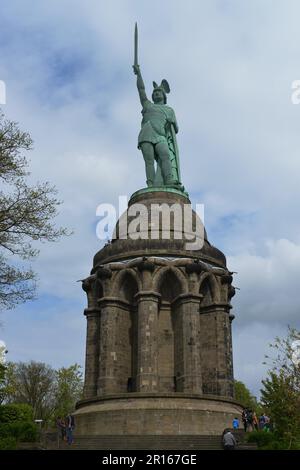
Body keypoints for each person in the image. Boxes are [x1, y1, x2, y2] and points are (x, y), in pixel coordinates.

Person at [133, 64, 181, 188]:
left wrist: (172, 122)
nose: (156, 94)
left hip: (161, 136)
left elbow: (175, 129)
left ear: (164, 96)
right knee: (148, 161)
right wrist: (139, 74)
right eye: (154, 92)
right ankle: (150, 183)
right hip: (146, 134)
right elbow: (141, 90)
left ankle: (169, 180)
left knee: (165, 155)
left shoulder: (169, 110)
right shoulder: (148, 105)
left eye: (158, 92)